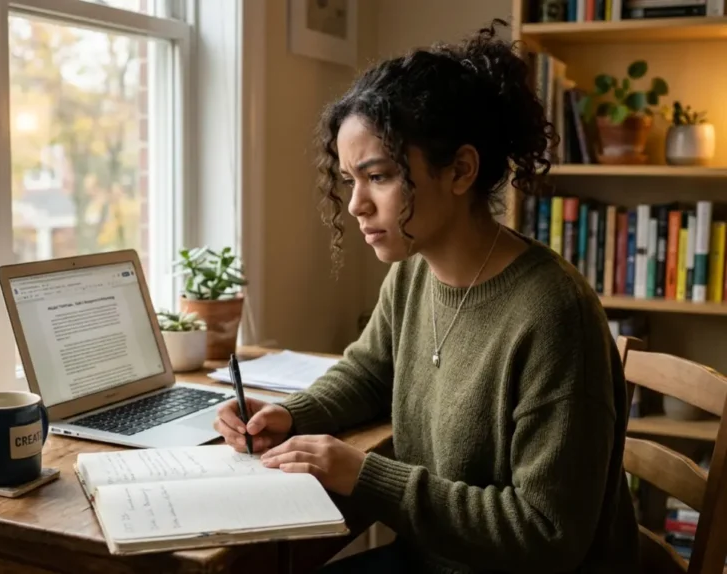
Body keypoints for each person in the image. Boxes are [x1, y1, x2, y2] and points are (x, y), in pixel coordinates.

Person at [213, 19, 639, 574]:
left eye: (379, 177)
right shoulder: (415, 274)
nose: (355, 206)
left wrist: (365, 475)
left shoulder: (554, 314)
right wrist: (289, 416)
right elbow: (368, 372)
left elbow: (547, 534)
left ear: (460, 170)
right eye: (349, 180)